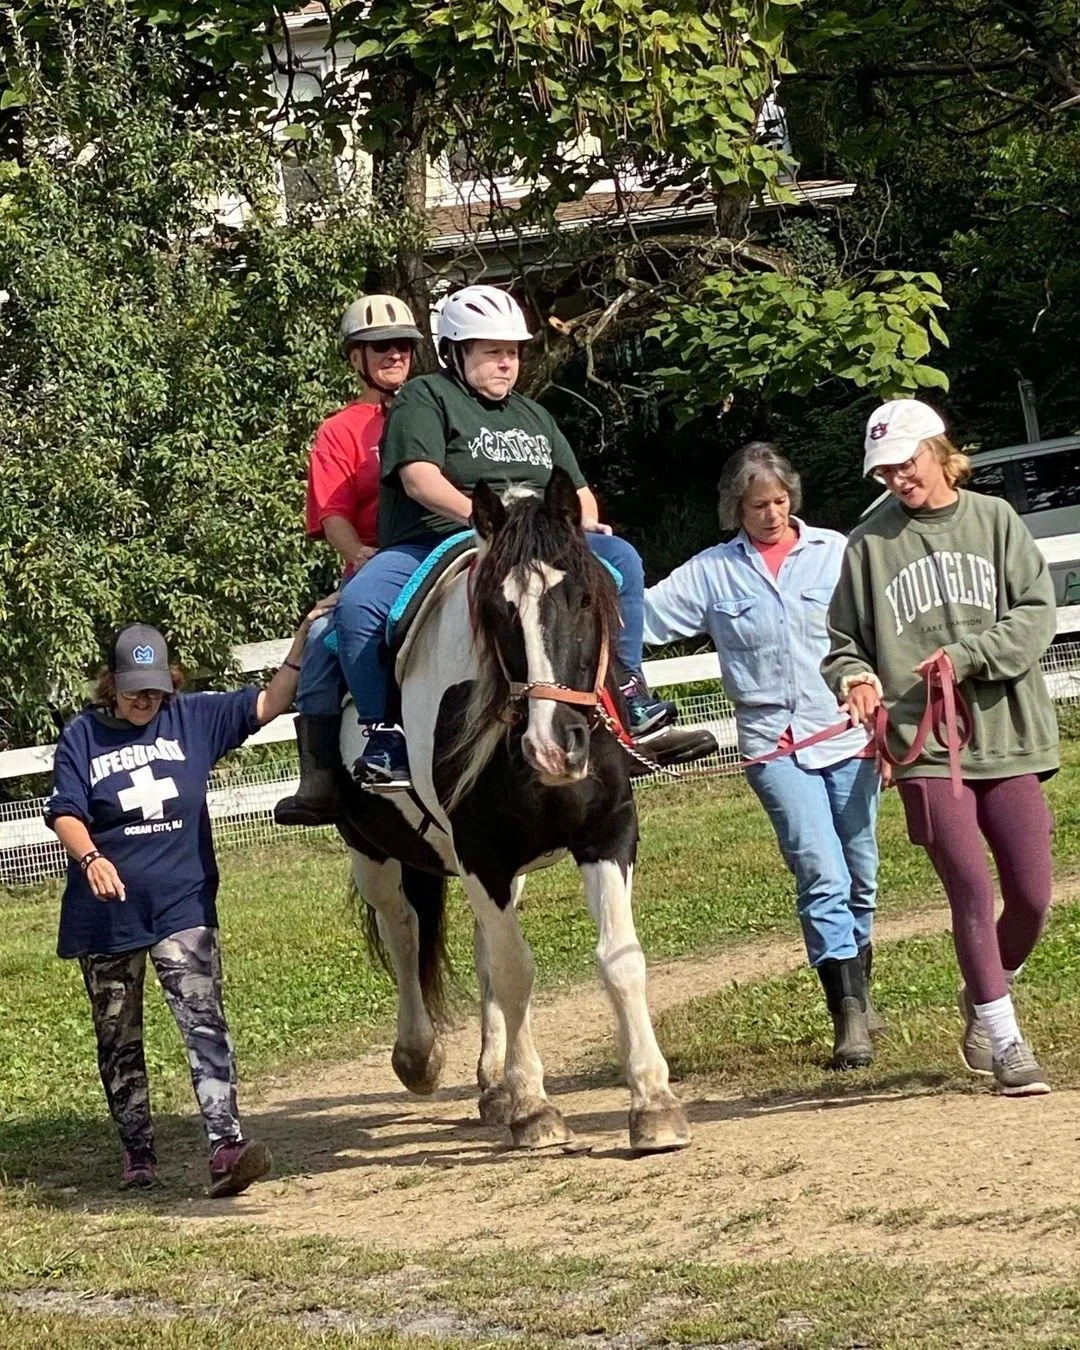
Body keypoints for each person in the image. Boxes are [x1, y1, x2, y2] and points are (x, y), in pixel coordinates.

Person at [334, 283, 679, 789]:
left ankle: (628, 692)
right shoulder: (425, 398)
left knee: (621, 558)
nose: (506, 364)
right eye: (492, 352)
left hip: (536, 543)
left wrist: (582, 521)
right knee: (358, 605)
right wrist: (489, 526)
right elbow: (419, 479)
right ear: (455, 351)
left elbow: (578, 490)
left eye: (513, 352)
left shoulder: (532, 414)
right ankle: (385, 735)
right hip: (434, 540)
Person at [822, 399, 1059, 1096]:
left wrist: (968, 656)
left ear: (938, 450)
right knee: (969, 886)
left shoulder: (995, 521)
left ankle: (988, 987)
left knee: (1033, 896)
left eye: (906, 463)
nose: (898, 479)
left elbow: (1035, 615)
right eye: (885, 471)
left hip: (1008, 731)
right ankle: (1005, 1036)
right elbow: (841, 644)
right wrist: (858, 678)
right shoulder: (867, 545)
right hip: (921, 741)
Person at [46, 609, 327, 1194]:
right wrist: (91, 859)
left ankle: (226, 1146)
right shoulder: (84, 735)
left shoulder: (193, 719)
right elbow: (66, 811)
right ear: (112, 687)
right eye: (132, 692)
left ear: (170, 682)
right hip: (107, 915)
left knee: (203, 1020)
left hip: (183, 902)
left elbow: (267, 703)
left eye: (153, 690)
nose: (143, 701)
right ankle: (137, 1151)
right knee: (118, 1035)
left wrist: (301, 644)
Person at [642, 443, 882, 1068]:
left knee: (860, 874)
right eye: (757, 505)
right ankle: (847, 1018)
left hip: (849, 736)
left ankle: (862, 992)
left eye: (779, 501)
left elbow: (878, 627)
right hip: (774, 746)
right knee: (820, 872)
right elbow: (642, 618)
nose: (772, 514)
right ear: (735, 509)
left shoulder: (836, 554)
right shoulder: (712, 573)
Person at [274, 294, 422, 827]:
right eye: (379, 346)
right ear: (354, 358)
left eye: (403, 345)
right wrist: (359, 554)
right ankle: (321, 779)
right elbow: (331, 510)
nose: (394, 354)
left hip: (440, 549)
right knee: (320, 642)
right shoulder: (339, 431)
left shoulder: (436, 408)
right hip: (375, 563)